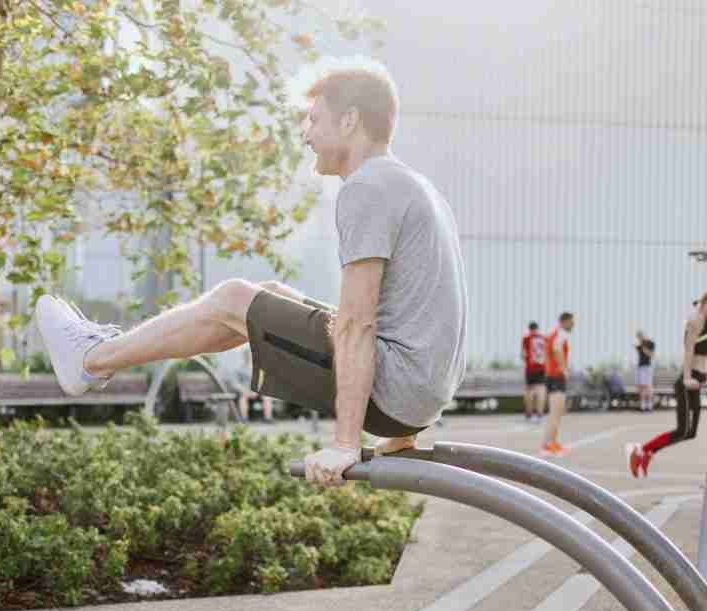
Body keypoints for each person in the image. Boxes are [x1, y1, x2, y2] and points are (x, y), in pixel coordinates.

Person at [35, 63, 468, 488]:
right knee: (267, 295)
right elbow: (424, 312)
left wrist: (345, 444)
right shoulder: (413, 185)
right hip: (420, 397)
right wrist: (404, 431)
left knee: (233, 299)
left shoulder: (367, 187)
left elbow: (359, 323)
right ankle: (100, 353)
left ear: (350, 120)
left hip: (395, 392)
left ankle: (93, 360)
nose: (306, 134)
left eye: (315, 120)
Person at [625, 295, 707, 478]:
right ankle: (641, 450)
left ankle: (645, 452)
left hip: (698, 380)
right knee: (683, 430)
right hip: (688, 382)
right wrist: (686, 377)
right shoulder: (695, 322)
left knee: (690, 432)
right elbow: (688, 350)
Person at [541, 312, 575, 456]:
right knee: (556, 412)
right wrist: (564, 368)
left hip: (553, 376)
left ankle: (552, 442)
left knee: (558, 411)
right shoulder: (559, 334)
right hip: (556, 377)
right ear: (564, 321)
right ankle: (548, 444)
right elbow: (556, 349)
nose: (573, 325)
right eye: (572, 322)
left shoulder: (555, 333)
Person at [230, 347, 275, 423]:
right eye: (246, 355)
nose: (248, 357)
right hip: (245, 391)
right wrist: (244, 390)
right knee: (243, 397)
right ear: (244, 357)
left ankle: (268, 418)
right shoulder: (239, 369)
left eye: (250, 355)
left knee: (267, 396)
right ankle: (244, 418)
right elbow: (235, 383)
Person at [521, 321, 547, 422]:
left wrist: (527, 360)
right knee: (541, 391)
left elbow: (523, 355)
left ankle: (529, 415)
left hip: (530, 369)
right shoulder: (543, 338)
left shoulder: (526, 339)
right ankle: (540, 415)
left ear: (529, 329)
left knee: (529, 392)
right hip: (542, 368)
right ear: (538, 328)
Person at [634, 330, 656, 412]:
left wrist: (644, 349)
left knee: (648, 386)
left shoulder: (650, 343)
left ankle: (649, 406)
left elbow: (652, 355)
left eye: (640, 336)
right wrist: (639, 346)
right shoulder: (639, 345)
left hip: (647, 367)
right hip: (640, 367)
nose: (639, 338)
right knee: (641, 386)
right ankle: (642, 406)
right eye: (638, 337)